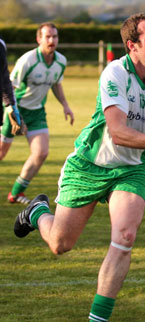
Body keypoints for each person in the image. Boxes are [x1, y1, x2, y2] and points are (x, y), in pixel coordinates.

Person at [14, 12, 145, 322]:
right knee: (60, 245)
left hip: (132, 169)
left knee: (125, 236)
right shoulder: (115, 73)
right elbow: (116, 131)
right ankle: (38, 211)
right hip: (89, 165)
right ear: (132, 45)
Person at [0, 22, 74, 205]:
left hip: (37, 113)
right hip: (15, 111)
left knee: (41, 153)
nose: (52, 40)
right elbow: (9, 86)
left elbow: (56, 83)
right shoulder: (27, 60)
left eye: (55, 36)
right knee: (1, 153)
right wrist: (14, 114)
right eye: (47, 36)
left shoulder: (61, 61)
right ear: (38, 39)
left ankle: (16, 193)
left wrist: (65, 105)